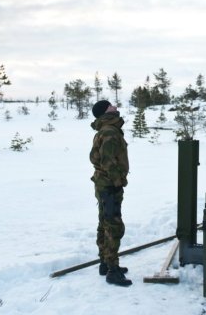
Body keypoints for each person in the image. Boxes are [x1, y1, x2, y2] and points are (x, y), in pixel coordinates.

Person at [89, 100, 132, 287]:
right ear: (106, 112)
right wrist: (116, 182)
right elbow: (108, 161)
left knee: (104, 223)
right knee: (113, 226)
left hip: (103, 184)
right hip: (109, 185)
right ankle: (112, 271)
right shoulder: (109, 131)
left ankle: (105, 263)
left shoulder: (107, 129)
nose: (115, 107)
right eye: (111, 106)